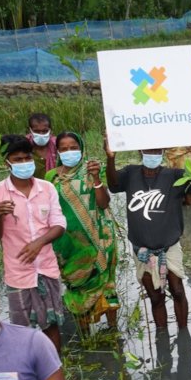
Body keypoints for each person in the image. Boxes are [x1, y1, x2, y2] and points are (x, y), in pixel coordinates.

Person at [106, 128, 191, 330]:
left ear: (162, 153)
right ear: (140, 153)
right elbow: (113, 184)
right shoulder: (130, 173)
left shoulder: (173, 176)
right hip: (141, 249)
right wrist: (110, 159)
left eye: (156, 152)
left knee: (178, 290)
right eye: (148, 152)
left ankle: (183, 331)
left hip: (169, 246)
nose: (152, 156)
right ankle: (162, 334)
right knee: (155, 296)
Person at [0, 135, 67, 352]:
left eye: (27, 158)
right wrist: (1, 216)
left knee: (52, 325)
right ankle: (27, 373)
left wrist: (39, 242)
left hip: (47, 269)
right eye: (17, 159)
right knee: (22, 331)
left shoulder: (46, 188)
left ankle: (55, 367)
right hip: (19, 274)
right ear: (7, 163)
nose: (23, 163)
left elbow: (58, 224)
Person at [45, 131, 120, 332]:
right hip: (69, 243)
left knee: (107, 283)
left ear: (81, 149)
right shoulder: (51, 177)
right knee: (76, 284)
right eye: (64, 149)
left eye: (74, 148)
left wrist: (96, 178)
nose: (69, 152)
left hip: (99, 238)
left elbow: (104, 202)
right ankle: (84, 334)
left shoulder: (94, 168)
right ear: (58, 152)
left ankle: (113, 328)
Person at [26, 112, 57, 179]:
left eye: (45, 131)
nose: (41, 134)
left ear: (50, 130)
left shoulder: (57, 145)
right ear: (30, 130)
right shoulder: (24, 146)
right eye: (36, 131)